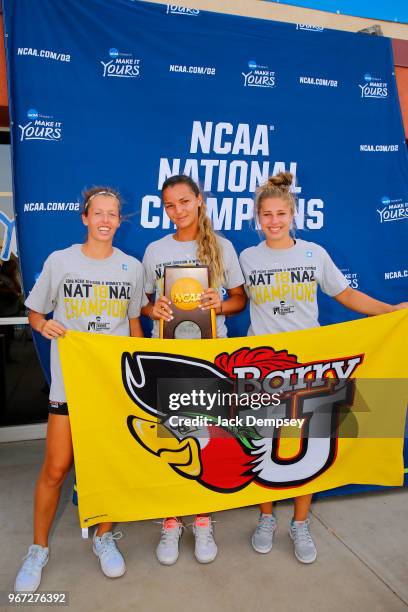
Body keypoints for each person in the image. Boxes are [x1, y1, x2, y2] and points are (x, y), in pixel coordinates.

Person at [239, 172, 408, 564]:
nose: (275, 221)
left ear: (293, 214)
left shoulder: (313, 253)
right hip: (264, 368)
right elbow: (233, 300)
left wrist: (391, 311)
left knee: (307, 445)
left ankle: (299, 523)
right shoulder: (248, 258)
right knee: (264, 442)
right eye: (267, 215)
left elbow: (345, 293)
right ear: (257, 219)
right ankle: (266, 518)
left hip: (310, 366)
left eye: (281, 213)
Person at [15, 187, 146, 592]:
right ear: (85, 218)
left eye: (113, 214)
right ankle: (38, 549)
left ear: (119, 221)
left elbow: (134, 323)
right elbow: (36, 312)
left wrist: (140, 367)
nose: (106, 220)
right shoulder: (60, 261)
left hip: (112, 386)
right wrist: (43, 325)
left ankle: (104, 536)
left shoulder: (131, 267)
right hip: (70, 384)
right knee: (55, 469)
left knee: (108, 467)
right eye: (98, 213)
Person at [141, 174, 247, 566]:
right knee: (170, 436)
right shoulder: (154, 250)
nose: (178, 210)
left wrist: (216, 305)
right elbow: (144, 306)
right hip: (167, 357)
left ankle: (202, 518)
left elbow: (239, 300)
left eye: (184, 201)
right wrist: (155, 310)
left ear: (199, 200)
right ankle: (171, 520)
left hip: (209, 358)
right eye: (170, 204)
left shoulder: (221, 247)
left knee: (206, 437)